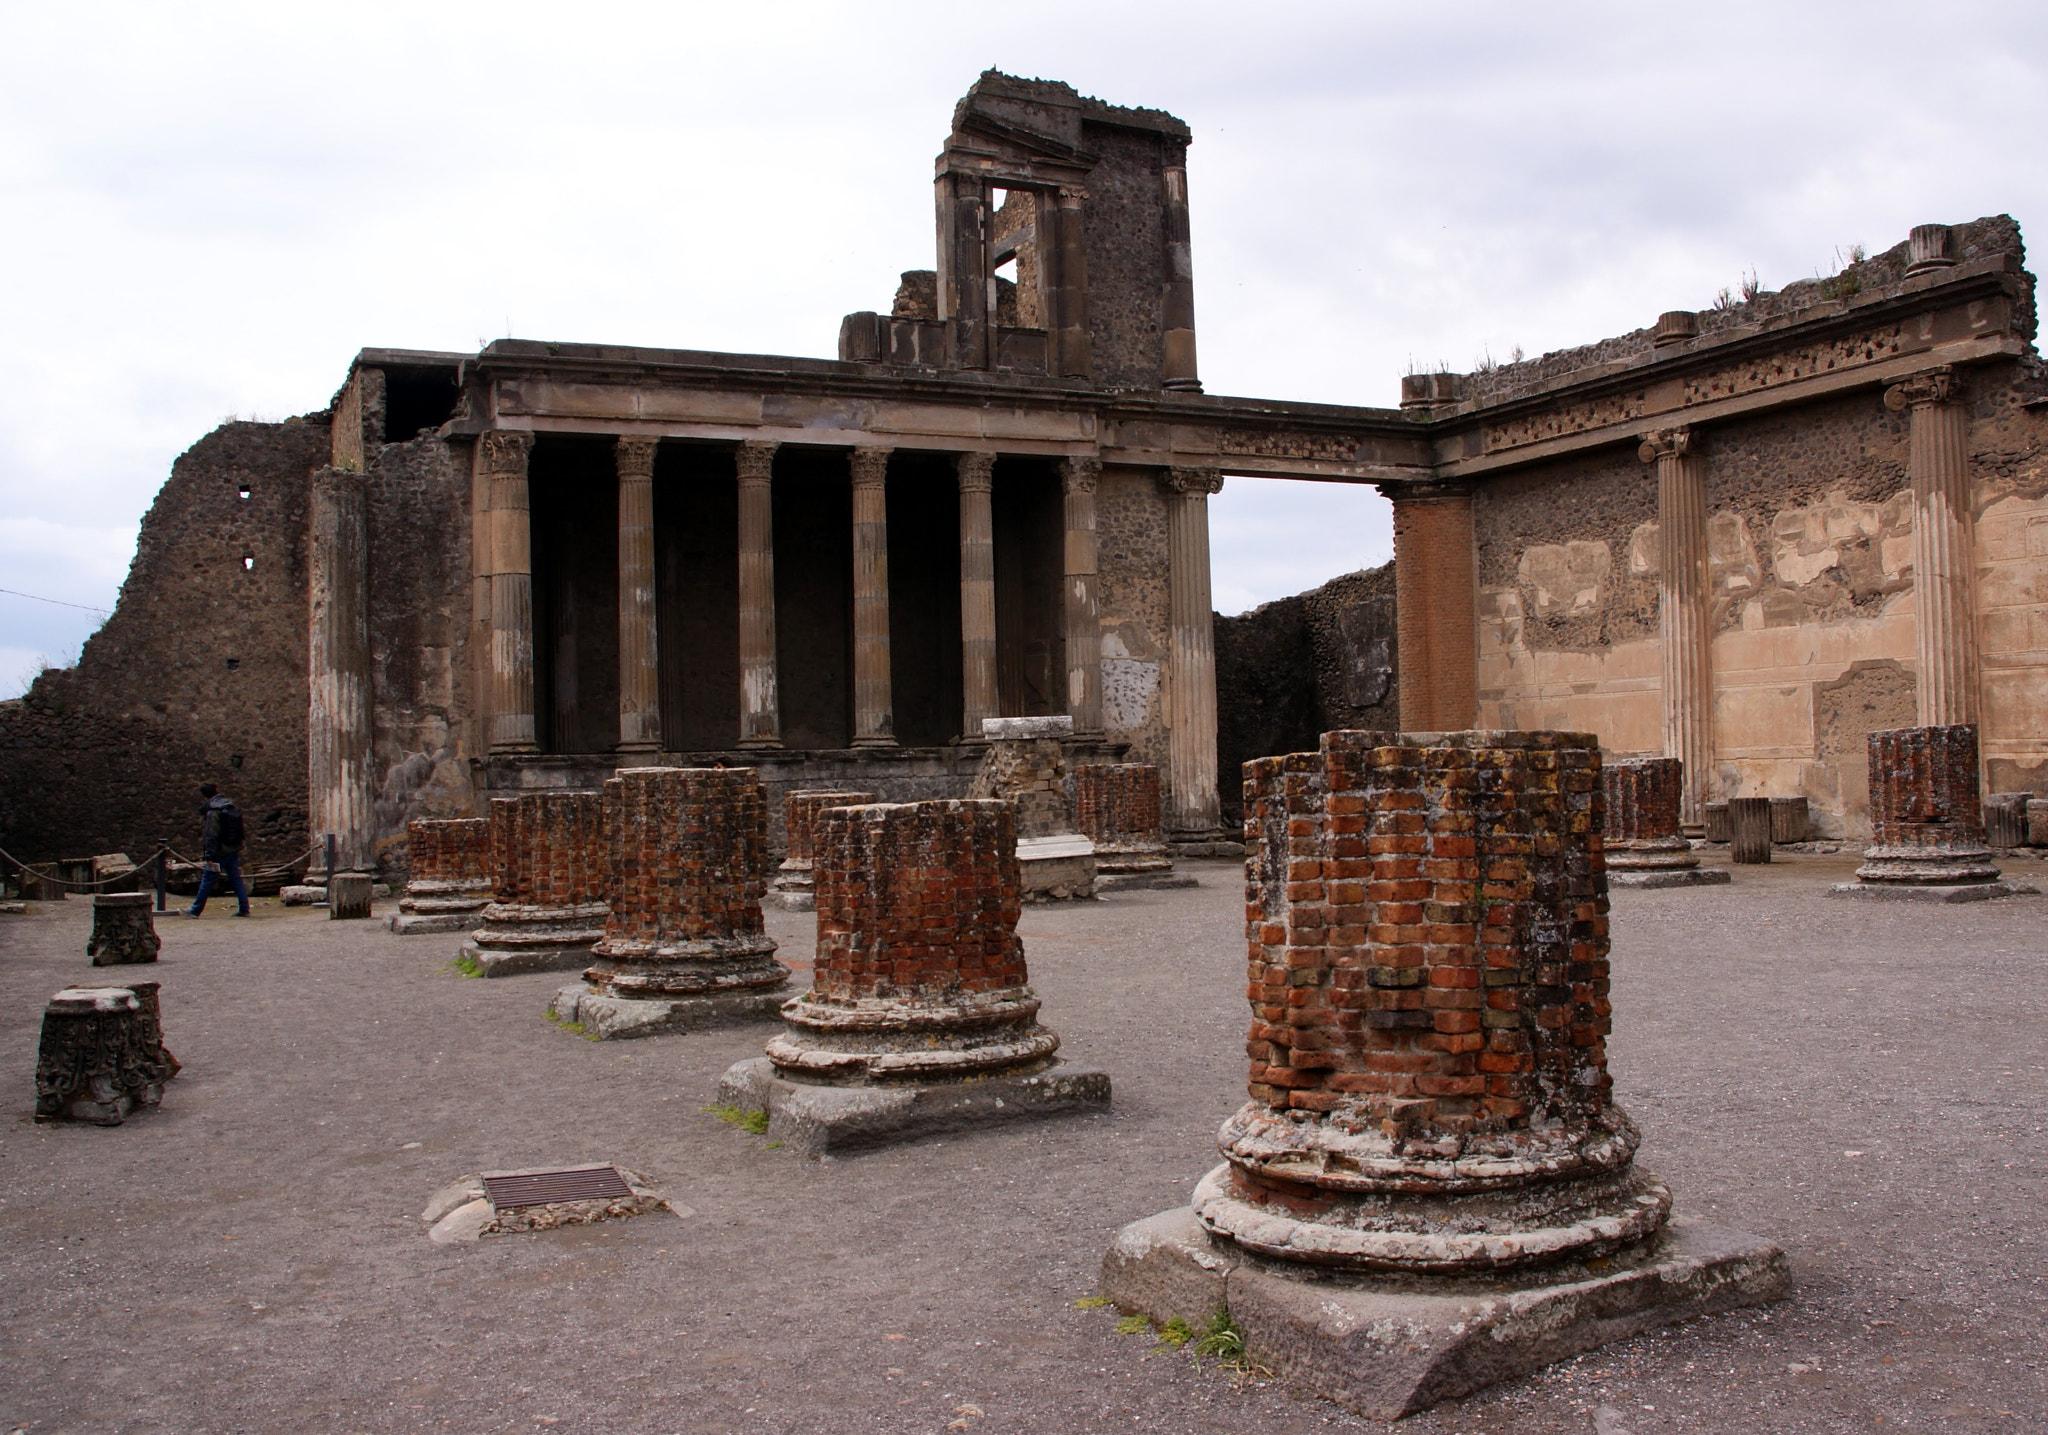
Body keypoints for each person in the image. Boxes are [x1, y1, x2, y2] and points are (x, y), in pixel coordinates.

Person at [186, 783, 250, 917]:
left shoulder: (213, 811)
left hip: (219, 853)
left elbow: (212, 834)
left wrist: (209, 855)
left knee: (207, 878)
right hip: (233, 849)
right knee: (236, 878)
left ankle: (195, 909)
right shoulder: (229, 806)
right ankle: (244, 907)